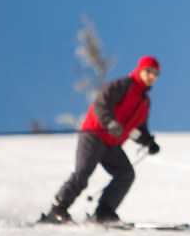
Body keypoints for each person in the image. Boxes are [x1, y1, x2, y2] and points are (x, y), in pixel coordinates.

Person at [39, 56, 162, 225]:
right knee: (82, 173)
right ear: (140, 70)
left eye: (156, 74)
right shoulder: (125, 85)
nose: (152, 76)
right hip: (94, 134)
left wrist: (148, 142)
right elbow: (101, 103)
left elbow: (138, 128)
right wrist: (109, 122)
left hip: (112, 144)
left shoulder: (144, 102)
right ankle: (57, 209)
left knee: (126, 174)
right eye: (149, 71)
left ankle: (104, 212)